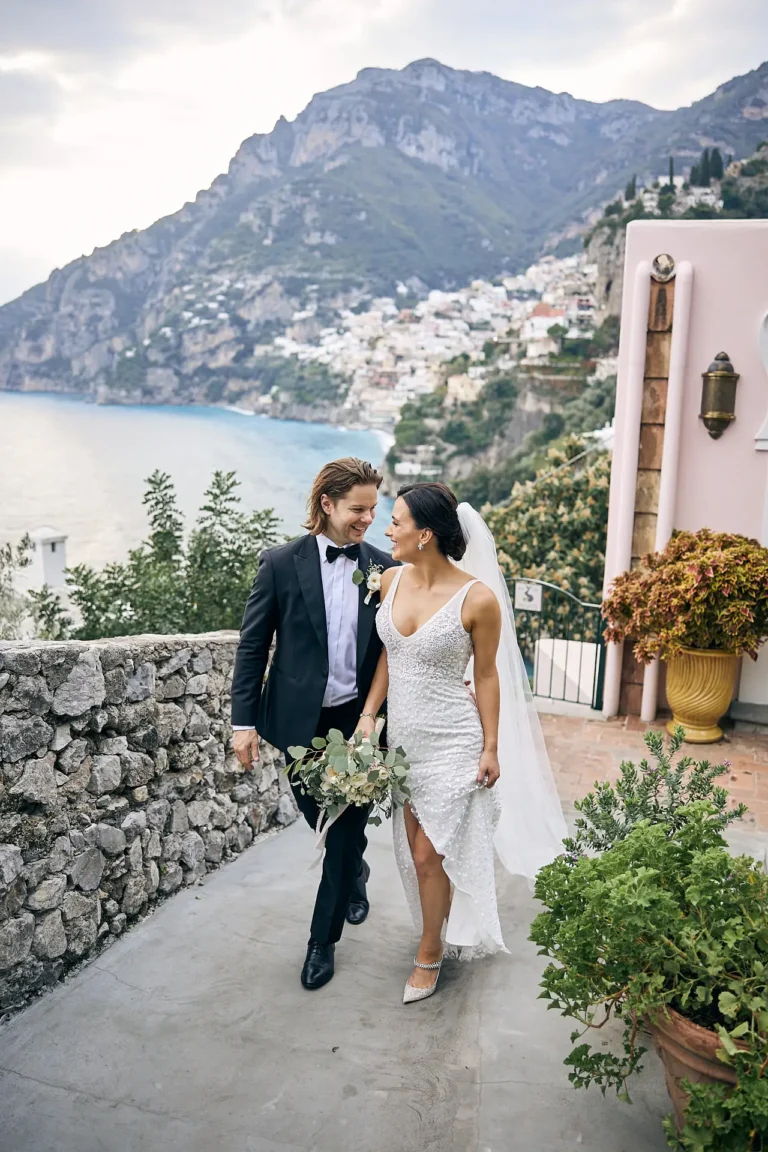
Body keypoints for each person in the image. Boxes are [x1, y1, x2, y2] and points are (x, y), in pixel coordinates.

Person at [357, 483, 567, 1003]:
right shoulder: (388, 580)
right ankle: (438, 925)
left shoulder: (478, 599)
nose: (388, 529)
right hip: (404, 743)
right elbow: (389, 656)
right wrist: (368, 716)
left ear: (425, 534)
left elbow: (489, 676)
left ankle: (429, 953)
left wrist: (491, 746)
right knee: (415, 851)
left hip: (454, 739)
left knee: (431, 855)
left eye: (397, 521)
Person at [231, 458, 397, 990]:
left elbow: (400, 643)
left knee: (344, 828)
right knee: (319, 817)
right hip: (298, 722)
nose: (368, 518)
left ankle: (320, 944)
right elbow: (253, 646)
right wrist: (243, 722)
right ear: (327, 504)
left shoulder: (384, 567)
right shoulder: (280, 563)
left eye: (374, 508)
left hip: (360, 722)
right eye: (358, 509)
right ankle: (355, 873)